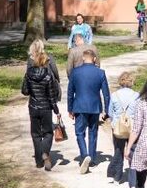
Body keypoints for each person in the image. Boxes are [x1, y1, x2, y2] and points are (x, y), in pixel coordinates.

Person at [20, 39, 61, 172]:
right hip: (46, 108)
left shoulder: (29, 74)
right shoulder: (48, 76)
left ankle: (39, 162)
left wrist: (31, 87)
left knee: (35, 134)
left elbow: (25, 91)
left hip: (33, 107)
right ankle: (45, 153)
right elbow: (51, 96)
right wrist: (56, 111)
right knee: (48, 132)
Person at [66, 49, 110, 173]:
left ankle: (85, 155)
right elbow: (106, 94)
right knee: (93, 133)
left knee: (80, 133)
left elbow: (70, 92)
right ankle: (93, 158)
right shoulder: (100, 73)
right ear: (94, 59)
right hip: (95, 107)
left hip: (79, 106)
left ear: (83, 58)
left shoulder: (75, 72)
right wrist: (107, 110)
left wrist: (70, 108)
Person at [107, 71, 139, 185]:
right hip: (132, 127)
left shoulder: (114, 95)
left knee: (118, 150)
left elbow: (110, 112)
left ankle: (116, 176)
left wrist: (115, 120)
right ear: (132, 82)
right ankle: (134, 181)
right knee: (133, 152)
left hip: (118, 127)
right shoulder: (136, 95)